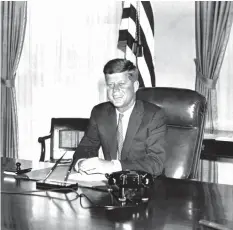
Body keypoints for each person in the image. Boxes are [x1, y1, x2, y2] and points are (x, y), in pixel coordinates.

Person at [72, 58, 167, 176]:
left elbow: (156, 163)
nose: (115, 91)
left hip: (143, 186)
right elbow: (86, 147)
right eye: (110, 85)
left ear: (135, 86)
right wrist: (81, 163)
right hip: (110, 186)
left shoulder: (154, 116)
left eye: (121, 84)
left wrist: (113, 166)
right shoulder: (99, 113)